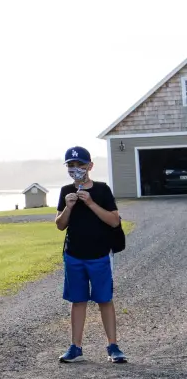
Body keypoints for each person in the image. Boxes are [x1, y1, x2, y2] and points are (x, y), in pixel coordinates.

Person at [55, 146, 126, 364]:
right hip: (74, 255)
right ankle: (75, 348)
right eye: (71, 165)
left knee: (104, 299)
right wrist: (68, 207)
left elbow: (114, 220)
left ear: (90, 166)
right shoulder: (66, 191)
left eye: (80, 165)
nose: (76, 169)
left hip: (99, 255)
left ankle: (113, 347)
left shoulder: (102, 190)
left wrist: (90, 203)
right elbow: (60, 225)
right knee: (78, 301)